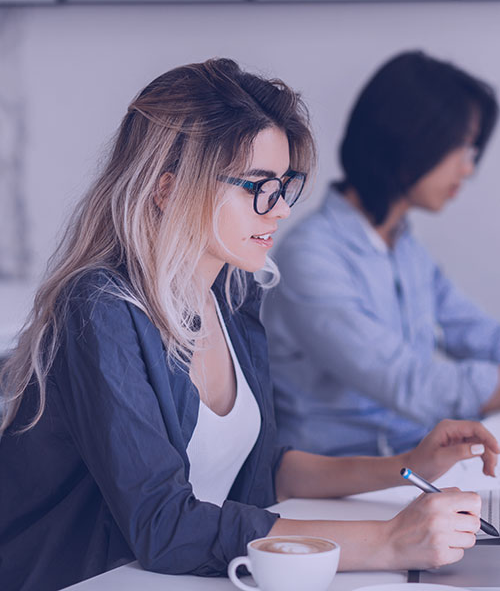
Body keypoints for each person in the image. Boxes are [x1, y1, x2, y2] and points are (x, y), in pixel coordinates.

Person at [0, 58, 498, 591]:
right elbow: (164, 527)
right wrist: (386, 542)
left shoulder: (234, 295)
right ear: (167, 189)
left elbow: (263, 471)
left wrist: (405, 464)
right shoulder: (100, 307)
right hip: (84, 578)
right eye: (258, 186)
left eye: (284, 186)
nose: (280, 209)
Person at [262, 50, 500, 458]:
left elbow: (477, 333)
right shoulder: (310, 258)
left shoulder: (404, 246)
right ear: (411, 139)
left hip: (414, 464)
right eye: (461, 147)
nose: (468, 168)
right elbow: (408, 384)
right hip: (343, 485)